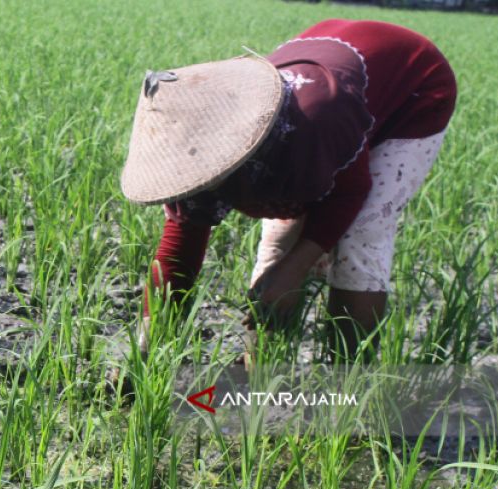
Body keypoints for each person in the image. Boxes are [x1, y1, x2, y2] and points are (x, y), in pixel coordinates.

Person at [120, 19, 457, 361]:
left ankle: (348, 378)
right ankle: (261, 371)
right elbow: (177, 257)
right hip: (332, 71)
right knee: (278, 244)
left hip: (412, 89)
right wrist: (143, 354)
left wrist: (296, 269)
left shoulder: (306, 125)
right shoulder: (192, 151)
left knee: (362, 231)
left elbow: (350, 192)